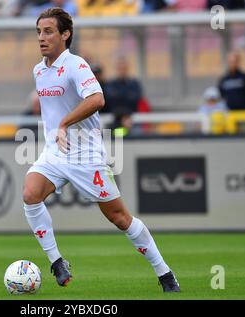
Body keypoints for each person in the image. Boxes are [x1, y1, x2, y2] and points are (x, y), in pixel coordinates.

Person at [23, 7, 180, 292]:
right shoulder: (38, 70)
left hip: (85, 155)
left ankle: (165, 273)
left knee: (120, 218)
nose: (41, 38)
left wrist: (64, 123)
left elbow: (97, 99)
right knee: (30, 195)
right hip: (55, 152)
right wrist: (56, 131)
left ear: (65, 35)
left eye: (48, 31)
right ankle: (57, 261)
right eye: (38, 32)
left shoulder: (76, 65)